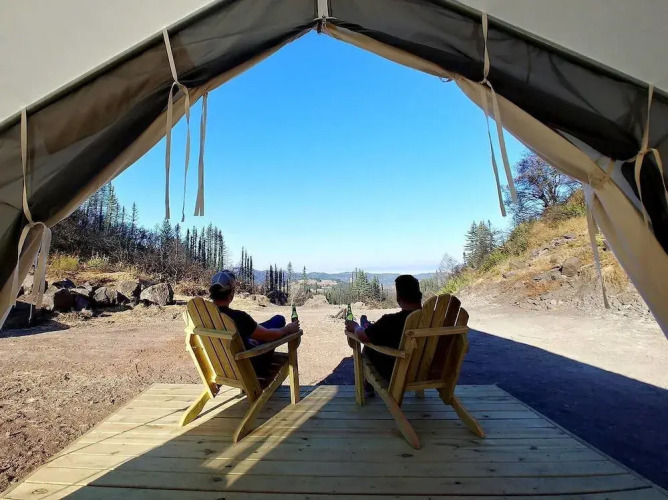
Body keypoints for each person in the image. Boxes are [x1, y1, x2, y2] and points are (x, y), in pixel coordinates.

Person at [209, 270, 300, 375]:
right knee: (279, 320)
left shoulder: (206, 316)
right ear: (231, 294)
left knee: (276, 320)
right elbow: (269, 336)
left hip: (222, 366)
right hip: (252, 366)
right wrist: (287, 329)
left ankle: (249, 339)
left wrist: (246, 341)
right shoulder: (239, 318)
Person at [345, 275, 423, 395]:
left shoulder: (391, 321)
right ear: (419, 296)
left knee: (369, 347)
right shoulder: (435, 320)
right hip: (428, 370)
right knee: (376, 335)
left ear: (399, 297)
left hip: (396, 372)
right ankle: (369, 326)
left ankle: (368, 386)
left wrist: (355, 327)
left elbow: (363, 337)